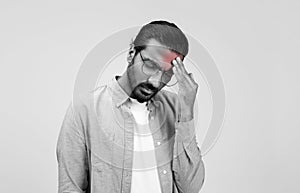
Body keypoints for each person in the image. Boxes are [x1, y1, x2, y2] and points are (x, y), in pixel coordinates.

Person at [56, 20, 205, 193]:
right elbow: (70, 188)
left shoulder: (176, 109)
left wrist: (186, 112)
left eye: (167, 73)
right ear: (131, 53)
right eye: (150, 65)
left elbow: (191, 188)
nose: (156, 81)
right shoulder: (84, 110)